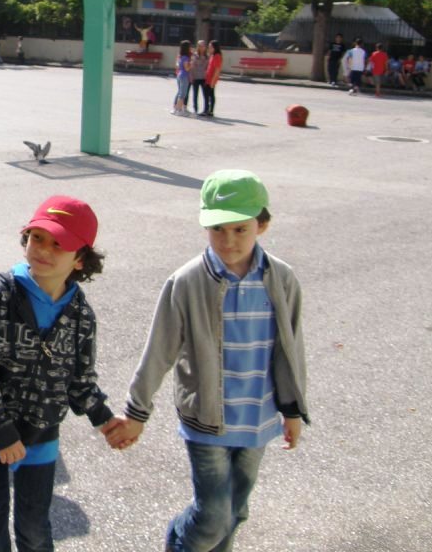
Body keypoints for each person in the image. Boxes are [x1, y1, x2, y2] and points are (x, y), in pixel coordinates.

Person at [107, 169, 309, 552]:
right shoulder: (187, 281)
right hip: (207, 419)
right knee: (212, 517)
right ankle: (178, 541)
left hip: (258, 418)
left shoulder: (281, 278)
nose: (228, 241)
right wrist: (137, 412)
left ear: (261, 225)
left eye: (239, 229)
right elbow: (159, 350)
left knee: (235, 512)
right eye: (218, 229)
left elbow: (291, 348)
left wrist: (293, 411)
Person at [0, 195, 118, 552]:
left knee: (33, 524)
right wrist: (0, 430)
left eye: (58, 244)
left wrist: (104, 418)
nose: (43, 250)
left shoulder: (81, 316)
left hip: (41, 434)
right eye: (37, 238)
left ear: (80, 260)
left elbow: (80, 380)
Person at [201, 40, 223, 117]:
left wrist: (213, 82)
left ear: (214, 47)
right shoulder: (212, 55)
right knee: (209, 95)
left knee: (208, 95)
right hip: (208, 78)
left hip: (211, 80)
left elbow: (217, 70)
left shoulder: (217, 56)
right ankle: (209, 111)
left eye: (210, 47)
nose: (209, 48)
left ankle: (207, 111)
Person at [172, 40, 192, 115]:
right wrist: (191, 64)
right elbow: (187, 68)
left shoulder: (181, 56)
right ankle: (179, 110)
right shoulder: (186, 58)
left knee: (180, 92)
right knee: (182, 94)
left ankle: (177, 108)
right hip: (184, 75)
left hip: (180, 74)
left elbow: (178, 65)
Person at [190, 40, 209, 115]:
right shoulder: (194, 55)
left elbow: (208, 67)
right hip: (196, 77)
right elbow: (192, 66)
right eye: (200, 46)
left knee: (205, 94)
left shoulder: (207, 56)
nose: (201, 47)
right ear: (197, 47)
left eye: (203, 46)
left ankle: (206, 110)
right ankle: (195, 109)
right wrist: (191, 76)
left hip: (204, 78)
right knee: (195, 94)